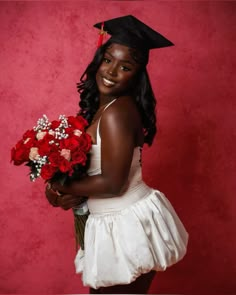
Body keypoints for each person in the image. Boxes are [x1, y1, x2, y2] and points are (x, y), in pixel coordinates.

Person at [45, 15, 189, 294]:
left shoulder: (118, 113)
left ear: (137, 75)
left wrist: (58, 184)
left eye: (125, 67)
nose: (111, 72)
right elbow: (87, 173)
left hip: (125, 225)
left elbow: (112, 183)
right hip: (112, 221)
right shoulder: (103, 110)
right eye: (108, 60)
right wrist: (59, 192)